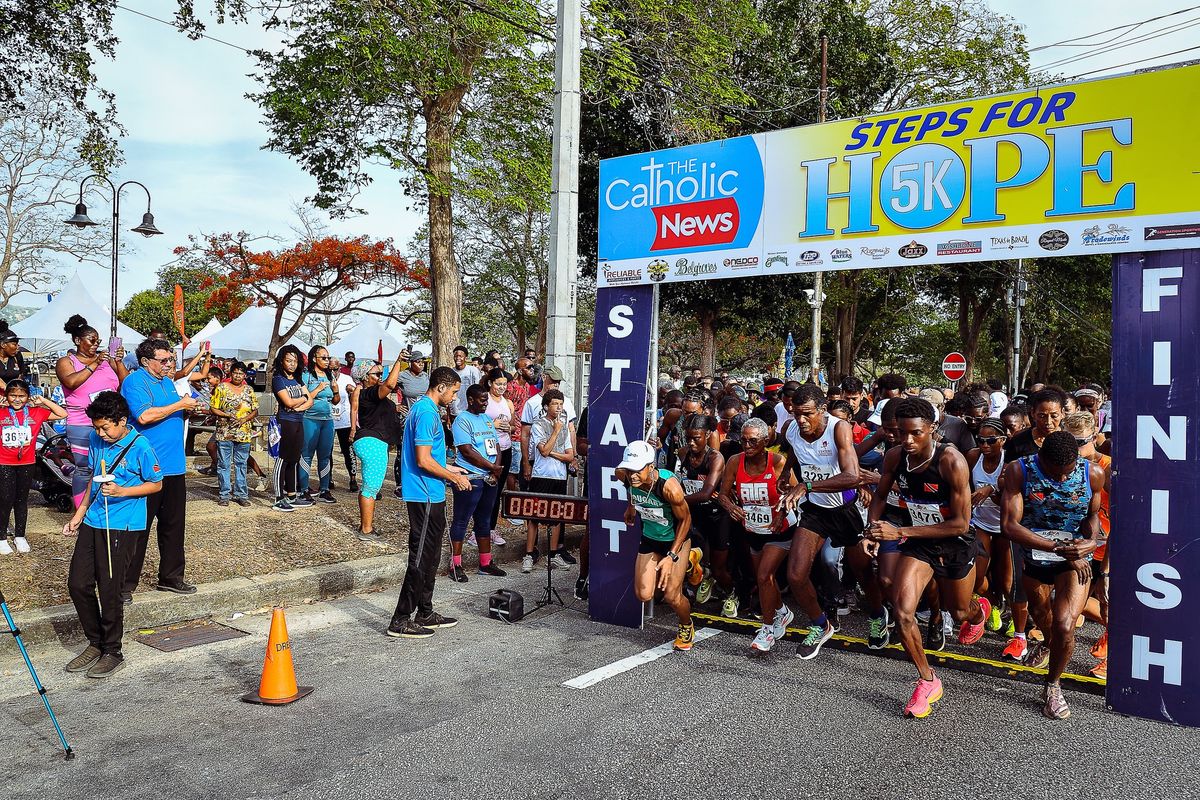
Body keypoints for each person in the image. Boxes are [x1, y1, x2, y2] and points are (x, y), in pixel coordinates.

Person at [865, 398, 990, 719]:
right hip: (918, 543)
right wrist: (872, 529)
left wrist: (902, 531)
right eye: (902, 433)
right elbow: (879, 496)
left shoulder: (951, 461)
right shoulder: (895, 456)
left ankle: (979, 612)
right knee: (903, 610)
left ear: (933, 430)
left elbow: (961, 523)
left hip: (955, 542)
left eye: (916, 434)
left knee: (960, 611)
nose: (907, 441)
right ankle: (927, 680)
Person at [999, 431, 1104, 719]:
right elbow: (1009, 525)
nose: (1059, 480)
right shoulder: (1019, 470)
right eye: (1053, 474)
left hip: (1073, 560)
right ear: (1041, 458)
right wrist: (1057, 547)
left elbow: (1091, 516)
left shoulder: (1092, 473)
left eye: (1065, 473)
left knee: (1065, 625)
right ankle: (1047, 643)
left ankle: (1053, 685)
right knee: (1041, 613)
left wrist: (1090, 540)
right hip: (1036, 554)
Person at [62, 392, 162, 678]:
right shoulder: (97, 440)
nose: (100, 433)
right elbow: (94, 481)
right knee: (78, 584)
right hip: (94, 520)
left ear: (122, 421)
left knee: (109, 588)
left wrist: (123, 491)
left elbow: (156, 484)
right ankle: (95, 642)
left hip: (123, 524)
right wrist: (78, 516)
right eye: (96, 427)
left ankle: (112, 650)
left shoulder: (141, 446)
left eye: (106, 427)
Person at [779, 383, 883, 659]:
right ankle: (820, 624)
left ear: (822, 410)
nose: (801, 420)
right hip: (816, 511)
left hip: (845, 507)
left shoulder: (838, 428)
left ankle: (877, 615)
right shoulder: (791, 429)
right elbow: (794, 450)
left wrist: (805, 486)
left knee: (862, 570)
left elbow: (851, 476)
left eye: (807, 414)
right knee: (796, 574)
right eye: (796, 413)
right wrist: (786, 472)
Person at [387, 366, 471, 639]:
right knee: (420, 556)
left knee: (432, 555)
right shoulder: (424, 412)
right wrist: (453, 478)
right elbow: (422, 460)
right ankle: (400, 619)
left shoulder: (430, 411)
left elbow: (430, 455)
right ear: (442, 387)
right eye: (454, 392)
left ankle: (425, 610)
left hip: (433, 492)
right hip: (422, 493)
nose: (455, 398)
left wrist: (451, 468)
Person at [121, 338, 199, 599]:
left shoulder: (167, 382)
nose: (169, 364)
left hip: (174, 466)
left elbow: (169, 413)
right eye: (163, 360)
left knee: (173, 526)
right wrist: (180, 405)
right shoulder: (134, 382)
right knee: (138, 529)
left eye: (171, 359)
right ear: (145, 361)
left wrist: (190, 411)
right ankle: (124, 585)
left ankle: (171, 576)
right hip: (147, 469)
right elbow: (144, 416)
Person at [1000, 386, 1068, 660]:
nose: (1048, 422)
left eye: (1054, 415)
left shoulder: (1071, 441)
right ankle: (1020, 637)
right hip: (1025, 524)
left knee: (1057, 593)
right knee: (1020, 584)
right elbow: (1004, 481)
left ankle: (1054, 640)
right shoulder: (1017, 443)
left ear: (1063, 414)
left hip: (1065, 526)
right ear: (1032, 415)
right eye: (1042, 416)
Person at [717, 417, 794, 653]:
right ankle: (782, 611)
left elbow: (796, 492)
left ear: (765, 441)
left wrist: (782, 510)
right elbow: (722, 494)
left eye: (753, 441)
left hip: (779, 530)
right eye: (744, 440)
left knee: (763, 576)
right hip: (752, 529)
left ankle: (767, 629)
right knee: (765, 580)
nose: (747, 446)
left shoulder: (778, 462)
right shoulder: (734, 462)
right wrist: (731, 507)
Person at [618, 440, 698, 652]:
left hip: (675, 541)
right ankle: (689, 563)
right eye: (629, 469)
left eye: (636, 470)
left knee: (672, 596)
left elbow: (686, 520)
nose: (632, 474)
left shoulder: (669, 487)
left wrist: (671, 557)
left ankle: (686, 626)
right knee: (644, 595)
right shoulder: (625, 476)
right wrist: (631, 508)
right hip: (650, 538)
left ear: (650, 467)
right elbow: (631, 491)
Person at [56, 314, 128, 507]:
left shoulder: (107, 361)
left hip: (109, 420)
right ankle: (81, 512)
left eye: (98, 341)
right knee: (85, 468)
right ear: (78, 341)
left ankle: (105, 507)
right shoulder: (67, 361)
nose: (96, 344)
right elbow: (71, 381)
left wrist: (119, 361)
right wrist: (94, 364)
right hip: (82, 422)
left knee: (110, 465)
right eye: (92, 340)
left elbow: (126, 382)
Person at [0, 381, 66, 554]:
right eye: (13, 395)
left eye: (21, 396)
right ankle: (1, 537)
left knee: (21, 500)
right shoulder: (2, 412)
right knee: (5, 499)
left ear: (27, 397)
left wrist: (43, 400)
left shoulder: (36, 413)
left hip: (27, 463)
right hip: (4, 462)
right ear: (6, 396)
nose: (17, 399)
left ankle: (20, 535)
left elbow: (62, 413)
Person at [448, 384, 507, 581]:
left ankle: (485, 563)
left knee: (485, 520)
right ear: (471, 400)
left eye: (487, 400)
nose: (486, 403)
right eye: (482, 400)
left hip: (490, 477)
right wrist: (492, 468)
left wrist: (496, 470)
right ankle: (455, 564)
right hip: (470, 476)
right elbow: (466, 451)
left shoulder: (487, 419)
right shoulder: (462, 420)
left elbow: (496, 445)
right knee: (461, 520)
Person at [676, 414, 730, 614]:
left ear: (707, 435)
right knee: (690, 557)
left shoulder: (715, 458)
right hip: (694, 515)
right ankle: (698, 579)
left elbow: (706, 492)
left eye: (696, 438)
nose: (691, 443)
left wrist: (676, 500)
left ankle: (732, 592)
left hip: (716, 516)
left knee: (719, 568)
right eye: (688, 437)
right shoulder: (682, 454)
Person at [351, 354, 405, 541]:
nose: (380, 376)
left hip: (374, 443)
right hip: (372, 443)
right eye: (376, 373)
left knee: (368, 486)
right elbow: (389, 386)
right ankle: (366, 530)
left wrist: (396, 409)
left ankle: (365, 526)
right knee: (371, 488)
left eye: (382, 373)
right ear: (365, 377)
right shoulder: (369, 392)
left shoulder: (374, 395)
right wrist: (398, 362)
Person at [521, 388, 575, 572]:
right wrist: (555, 433)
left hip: (559, 476)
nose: (559, 408)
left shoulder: (564, 426)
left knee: (557, 516)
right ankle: (529, 554)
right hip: (541, 475)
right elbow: (542, 450)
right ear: (546, 406)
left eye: (561, 404)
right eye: (555, 404)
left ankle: (553, 555)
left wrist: (552, 452)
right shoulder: (538, 425)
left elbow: (570, 455)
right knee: (534, 516)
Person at [967, 418, 1008, 632]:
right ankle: (992, 603)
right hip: (980, 522)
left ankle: (1016, 614)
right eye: (980, 440)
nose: (984, 445)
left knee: (1007, 581)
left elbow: (1011, 498)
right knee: (977, 576)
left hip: (1005, 525)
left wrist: (991, 490)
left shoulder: (1008, 461)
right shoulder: (974, 457)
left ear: (1002, 440)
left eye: (991, 441)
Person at [271, 346, 315, 513]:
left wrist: (299, 404)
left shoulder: (298, 380)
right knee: (282, 459)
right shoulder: (278, 379)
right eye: (289, 360)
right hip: (285, 422)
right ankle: (278, 497)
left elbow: (310, 400)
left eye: (295, 361)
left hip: (298, 420)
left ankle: (291, 495)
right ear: (282, 361)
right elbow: (287, 402)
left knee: (294, 459)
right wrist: (302, 398)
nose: (292, 364)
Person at [209, 360, 258, 508]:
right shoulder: (222, 388)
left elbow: (255, 410)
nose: (238, 376)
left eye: (240, 373)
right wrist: (227, 416)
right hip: (225, 432)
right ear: (231, 373)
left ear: (244, 375)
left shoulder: (249, 389)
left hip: (243, 432)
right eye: (235, 372)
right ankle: (224, 494)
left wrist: (244, 419)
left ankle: (241, 494)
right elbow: (213, 408)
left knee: (241, 464)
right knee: (224, 464)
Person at [300, 345, 339, 504]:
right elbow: (303, 397)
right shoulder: (306, 375)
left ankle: (325, 489)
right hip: (309, 418)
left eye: (328, 358)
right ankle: (303, 489)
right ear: (314, 358)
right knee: (307, 454)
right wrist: (318, 388)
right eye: (323, 357)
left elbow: (335, 402)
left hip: (327, 420)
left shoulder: (330, 376)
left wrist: (335, 391)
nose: (327, 360)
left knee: (325, 456)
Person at [482, 368, 514, 544]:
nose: (502, 387)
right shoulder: (484, 400)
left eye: (504, 384)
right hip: (488, 450)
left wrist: (509, 428)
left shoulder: (508, 403)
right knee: (486, 489)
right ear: (490, 383)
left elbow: (513, 426)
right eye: (498, 384)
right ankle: (479, 530)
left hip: (506, 448)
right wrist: (491, 425)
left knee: (497, 490)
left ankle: (491, 529)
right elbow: (474, 423)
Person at [330, 357, 359, 492]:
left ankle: (353, 479)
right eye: (330, 369)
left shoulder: (347, 379)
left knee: (349, 451)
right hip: (328, 421)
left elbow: (356, 398)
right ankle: (328, 478)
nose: (332, 372)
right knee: (326, 452)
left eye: (335, 369)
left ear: (339, 368)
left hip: (344, 421)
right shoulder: (323, 378)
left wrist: (352, 390)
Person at [450, 345, 481, 419]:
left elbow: (478, 392)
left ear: (466, 358)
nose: (458, 358)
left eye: (460, 356)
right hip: (454, 413)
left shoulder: (473, 371)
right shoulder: (451, 372)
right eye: (456, 356)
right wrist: (448, 415)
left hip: (469, 412)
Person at [0, 321, 29, 390]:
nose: (17, 347)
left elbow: (21, 374)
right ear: (3, 345)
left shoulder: (17, 356)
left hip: (12, 396)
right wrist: (8, 389)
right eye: (14, 344)